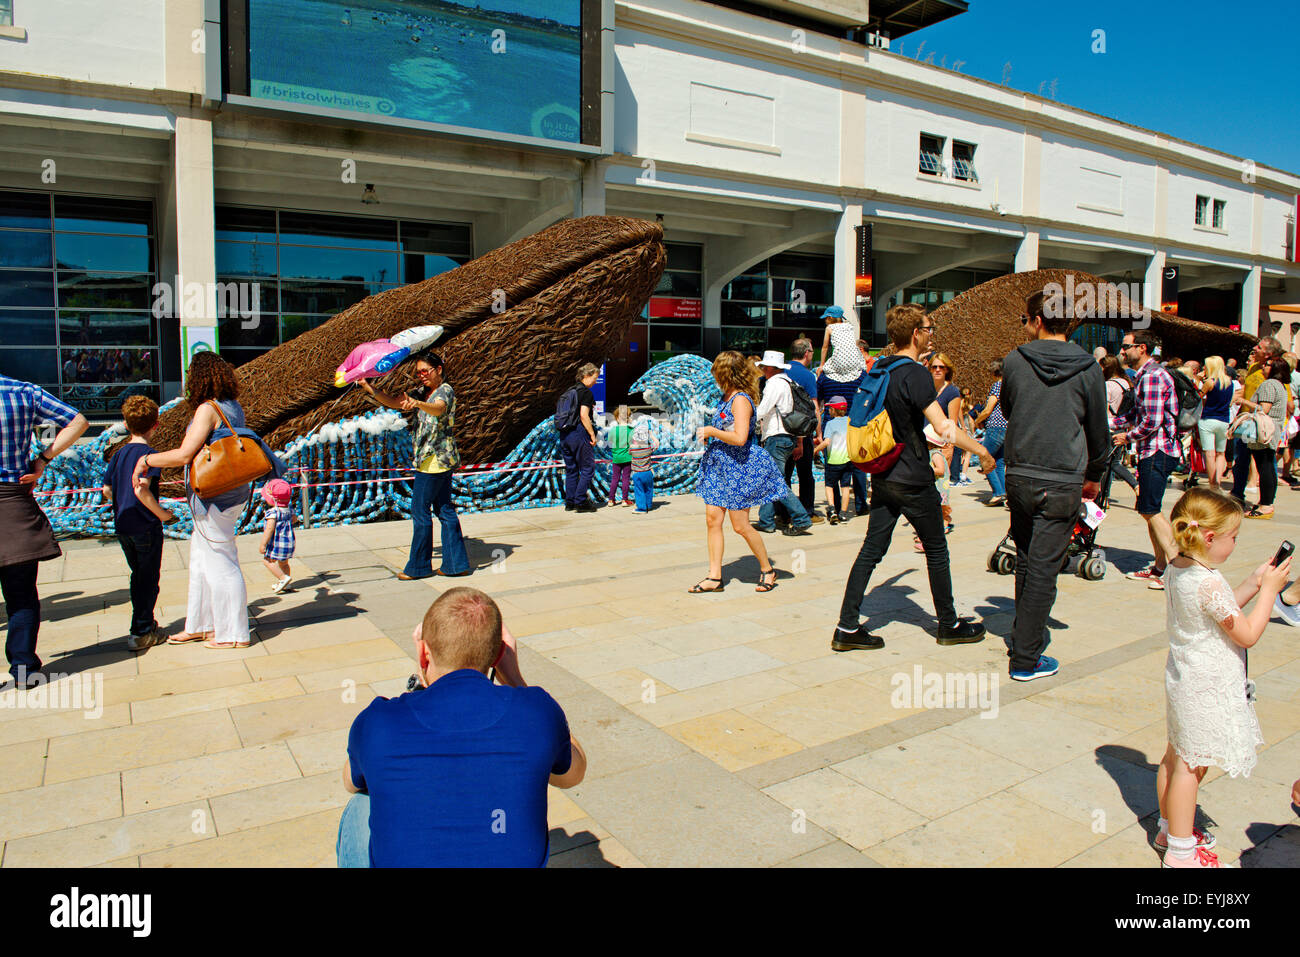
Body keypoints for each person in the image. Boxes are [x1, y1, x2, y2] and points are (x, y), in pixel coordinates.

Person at [337, 587, 586, 867]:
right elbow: (572, 775)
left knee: (362, 803)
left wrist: (421, 685)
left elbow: (350, 780)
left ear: (423, 652)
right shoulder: (536, 711)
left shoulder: (379, 722)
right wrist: (514, 677)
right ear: (499, 655)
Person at [832, 304, 994, 652]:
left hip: (885, 475)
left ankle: (846, 627)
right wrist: (981, 452)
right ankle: (948, 624)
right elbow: (944, 427)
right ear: (916, 334)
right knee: (936, 549)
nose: (931, 332)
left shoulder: (881, 368)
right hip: (914, 477)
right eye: (929, 327)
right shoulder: (916, 374)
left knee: (871, 550)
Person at [1154, 488, 1286, 868]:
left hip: (1184, 677)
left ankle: (1168, 829)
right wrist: (1271, 594)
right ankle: (1181, 855)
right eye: (1234, 538)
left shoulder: (1180, 566)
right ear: (1210, 538)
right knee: (1190, 769)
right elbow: (1246, 634)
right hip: (1204, 684)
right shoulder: (1208, 582)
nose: (1235, 544)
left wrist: (1256, 580)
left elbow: (1223, 607)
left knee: (1176, 756)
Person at [999, 289, 1109, 681]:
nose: (1026, 326)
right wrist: (1095, 475)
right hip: (1062, 477)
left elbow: (1009, 409)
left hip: (1020, 473)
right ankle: (1026, 658)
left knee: (1028, 558)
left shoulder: (1014, 360)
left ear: (1038, 320)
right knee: (1044, 567)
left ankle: (1022, 638)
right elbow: (1099, 430)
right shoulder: (1088, 367)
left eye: (1027, 318)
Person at [132, 352, 258, 648]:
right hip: (228, 492)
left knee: (221, 560)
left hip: (216, 497)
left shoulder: (207, 409)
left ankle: (233, 633)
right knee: (202, 559)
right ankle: (200, 624)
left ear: (198, 378)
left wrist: (146, 459)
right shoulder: (232, 405)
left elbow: (185, 453)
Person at [0, 376, 87, 687]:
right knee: (21, 596)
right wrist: (42, 460)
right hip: (13, 503)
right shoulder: (22, 392)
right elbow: (79, 422)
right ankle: (23, 670)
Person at [361, 351, 471, 578]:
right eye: (418, 372)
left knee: (420, 511)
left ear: (438, 369)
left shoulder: (444, 390)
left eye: (425, 371)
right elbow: (394, 402)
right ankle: (455, 565)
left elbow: (438, 408)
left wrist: (419, 404)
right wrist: (369, 387)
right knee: (445, 510)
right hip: (437, 460)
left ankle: (419, 567)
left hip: (434, 461)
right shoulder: (422, 392)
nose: (421, 376)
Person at [691, 351, 788, 593]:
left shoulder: (740, 400)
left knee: (740, 525)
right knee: (713, 520)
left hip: (739, 467)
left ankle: (767, 568)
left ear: (725, 373)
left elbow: (740, 438)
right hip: (719, 466)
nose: (714, 376)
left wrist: (712, 432)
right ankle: (714, 577)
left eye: (717, 371)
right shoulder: (725, 396)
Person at [101, 396, 174, 652]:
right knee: (148, 579)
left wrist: (121, 497)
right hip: (145, 524)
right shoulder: (149, 456)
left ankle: (144, 623)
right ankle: (141, 631)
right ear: (155, 425)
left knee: (138, 576)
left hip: (123, 525)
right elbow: (143, 491)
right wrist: (163, 514)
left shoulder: (119, 455)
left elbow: (107, 490)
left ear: (126, 423)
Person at [1112, 330, 1180, 591]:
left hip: (1156, 450)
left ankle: (1175, 568)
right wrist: (1110, 423)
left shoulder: (1151, 377)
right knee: (1150, 509)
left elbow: (1151, 421)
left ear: (1141, 348)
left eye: (1125, 346)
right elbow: (1136, 414)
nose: (1122, 351)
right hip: (1154, 450)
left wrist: (1126, 438)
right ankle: (1160, 567)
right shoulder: (1147, 376)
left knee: (1149, 509)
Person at [753, 351, 814, 535]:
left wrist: (741, 418)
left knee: (775, 481)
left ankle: (801, 518)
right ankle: (766, 521)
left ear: (771, 367)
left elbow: (763, 409)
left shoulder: (774, 384)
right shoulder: (789, 382)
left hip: (776, 436)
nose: (763, 370)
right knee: (771, 479)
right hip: (789, 436)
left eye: (764, 366)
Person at [1228, 357, 1287, 519]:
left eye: (1267, 365)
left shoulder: (1269, 384)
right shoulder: (1279, 385)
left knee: (1265, 466)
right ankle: (1266, 502)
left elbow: (1264, 408)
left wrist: (1242, 400)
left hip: (1264, 430)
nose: (1263, 366)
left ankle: (1266, 505)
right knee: (1266, 465)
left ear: (1275, 368)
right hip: (1271, 430)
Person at [782, 338, 821, 520]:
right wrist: (818, 433)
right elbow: (814, 408)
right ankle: (807, 511)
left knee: (784, 474)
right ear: (806, 353)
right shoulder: (807, 376)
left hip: (781, 432)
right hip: (802, 432)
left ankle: (783, 512)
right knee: (805, 474)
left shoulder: (780, 370)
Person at [554, 364, 600, 512]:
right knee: (588, 468)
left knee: (571, 469)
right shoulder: (585, 393)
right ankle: (581, 501)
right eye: (595, 378)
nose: (595, 381)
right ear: (586, 376)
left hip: (564, 434)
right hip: (579, 433)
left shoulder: (569, 391)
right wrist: (592, 434)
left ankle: (570, 502)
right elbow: (583, 415)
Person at [972, 359, 1008, 507]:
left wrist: (977, 420)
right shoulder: (1008, 387)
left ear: (994, 372)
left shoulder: (997, 386)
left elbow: (988, 409)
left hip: (995, 427)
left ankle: (998, 493)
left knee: (984, 457)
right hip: (1006, 428)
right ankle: (1003, 491)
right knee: (998, 462)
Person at [1196, 356, 1234, 491]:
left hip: (1208, 419)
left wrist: (1197, 380)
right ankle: (1217, 481)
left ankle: (1212, 483)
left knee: (1209, 453)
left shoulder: (1210, 382)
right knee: (1220, 453)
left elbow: (1197, 397)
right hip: (1224, 420)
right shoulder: (1229, 382)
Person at [813, 397, 851, 523]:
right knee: (845, 487)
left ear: (833, 410)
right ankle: (844, 513)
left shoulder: (830, 424)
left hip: (833, 461)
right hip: (847, 460)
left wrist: (815, 450)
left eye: (829, 408)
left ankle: (832, 509)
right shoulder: (849, 422)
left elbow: (827, 442)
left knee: (829, 485)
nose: (828, 410)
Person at [259, 478, 296, 593]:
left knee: (267, 561)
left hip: (277, 543)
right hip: (289, 542)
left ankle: (283, 578)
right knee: (284, 564)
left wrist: (263, 544)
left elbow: (269, 529)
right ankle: (286, 584)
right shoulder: (289, 510)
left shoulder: (273, 512)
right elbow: (295, 519)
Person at [815, 305, 867, 382]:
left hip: (839, 361)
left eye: (826, 318)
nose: (825, 320)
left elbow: (825, 348)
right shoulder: (850, 326)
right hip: (855, 361)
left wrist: (822, 365)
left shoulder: (829, 328)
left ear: (830, 318)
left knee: (817, 370)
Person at [629, 416, 657, 512]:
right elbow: (657, 443)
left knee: (639, 491)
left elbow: (630, 448)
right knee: (649, 490)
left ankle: (641, 508)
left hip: (637, 473)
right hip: (648, 473)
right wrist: (651, 434)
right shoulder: (648, 448)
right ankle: (648, 505)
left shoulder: (633, 449)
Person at [607, 404, 633, 507]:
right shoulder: (631, 430)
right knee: (626, 478)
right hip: (627, 458)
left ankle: (610, 500)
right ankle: (624, 500)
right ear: (628, 417)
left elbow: (610, 441)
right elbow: (632, 444)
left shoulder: (613, 430)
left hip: (616, 458)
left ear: (617, 418)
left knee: (615, 479)